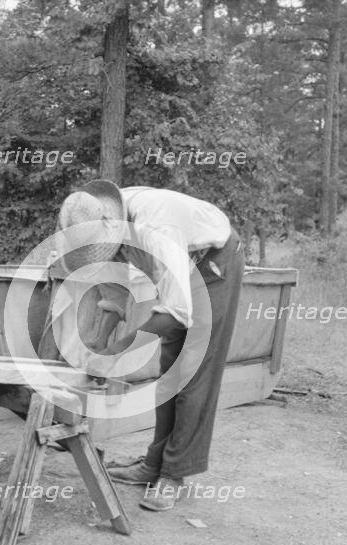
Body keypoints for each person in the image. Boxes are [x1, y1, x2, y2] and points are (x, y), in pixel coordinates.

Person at [55, 180, 244, 511]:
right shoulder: (102, 220)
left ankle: (175, 473)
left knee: (192, 373)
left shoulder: (156, 228)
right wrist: (99, 346)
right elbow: (114, 295)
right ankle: (153, 465)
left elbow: (176, 311)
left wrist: (117, 353)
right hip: (181, 268)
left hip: (214, 264)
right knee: (168, 372)